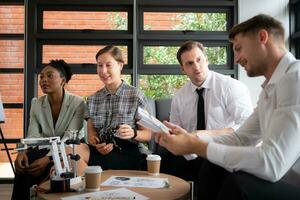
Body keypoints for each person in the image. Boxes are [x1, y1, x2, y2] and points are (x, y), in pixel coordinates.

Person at [156, 14, 300, 200]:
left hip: (290, 181)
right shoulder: (269, 88)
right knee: (213, 165)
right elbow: (242, 138)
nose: (237, 58)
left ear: (262, 38)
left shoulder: (295, 78)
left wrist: (198, 145)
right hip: (279, 177)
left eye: (239, 48)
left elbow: (272, 164)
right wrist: (193, 143)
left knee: (238, 185)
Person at [161, 40, 253, 181]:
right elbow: (176, 131)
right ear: (183, 69)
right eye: (189, 63)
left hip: (221, 151)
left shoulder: (231, 87)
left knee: (208, 170)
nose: (196, 67)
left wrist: (202, 135)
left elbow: (247, 126)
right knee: (166, 162)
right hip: (190, 152)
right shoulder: (180, 96)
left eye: (199, 60)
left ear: (207, 60)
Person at [11, 59, 85, 200]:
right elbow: (33, 134)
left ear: (63, 81)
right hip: (44, 148)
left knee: (52, 165)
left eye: (50, 76)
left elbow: (70, 137)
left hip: (67, 150)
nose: (44, 80)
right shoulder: (36, 103)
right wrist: (22, 151)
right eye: (42, 77)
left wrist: (48, 158)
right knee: (23, 164)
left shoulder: (78, 103)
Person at [75, 45, 151, 175]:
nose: (103, 71)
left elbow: (148, 134)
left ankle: (90, 183)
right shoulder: (93, 99)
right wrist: (95, 143)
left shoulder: (136, 95)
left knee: (73, 162)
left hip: (126, 152)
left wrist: (133, 133)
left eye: (108, 65)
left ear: (120, 66)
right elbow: (91, 133)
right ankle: (87, 187)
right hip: (100, 150)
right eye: (99, 65)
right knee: (69, 151)